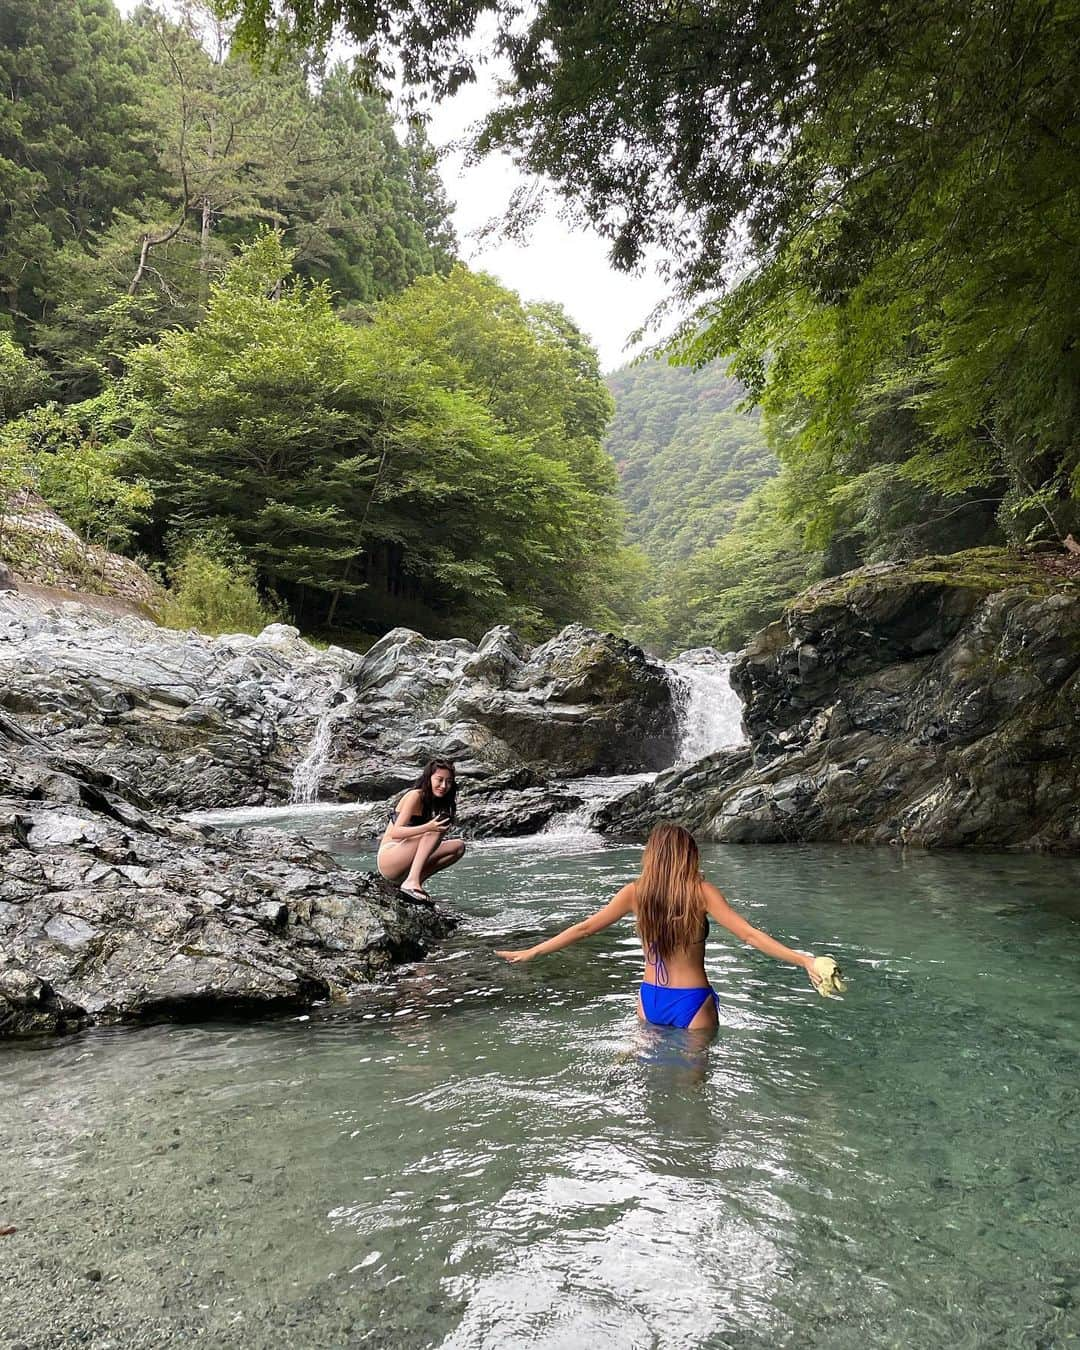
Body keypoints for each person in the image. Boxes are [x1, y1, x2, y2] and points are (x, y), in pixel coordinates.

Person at [496, 821, 823, 1031]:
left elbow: (584, 928)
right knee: (694, 1102)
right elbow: (749, 935)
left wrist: (533, 951)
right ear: (688, 855)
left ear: (652, 856)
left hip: (649, 1000)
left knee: (650, 1086)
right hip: (692, 1003)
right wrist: (804, 960)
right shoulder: (701, 893)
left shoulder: (635, 893)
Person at [377, 759, 465, 901]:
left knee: (458, 846)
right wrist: (428, 827)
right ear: (428, 778)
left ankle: (414, 883)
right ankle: (411, 882)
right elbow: (396, 832)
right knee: (434, 828)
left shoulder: (436, 801)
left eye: (448, 782)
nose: (444, 786)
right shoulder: (415, 795)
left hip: (406, 860)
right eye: (439, 780)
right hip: (389, 858)